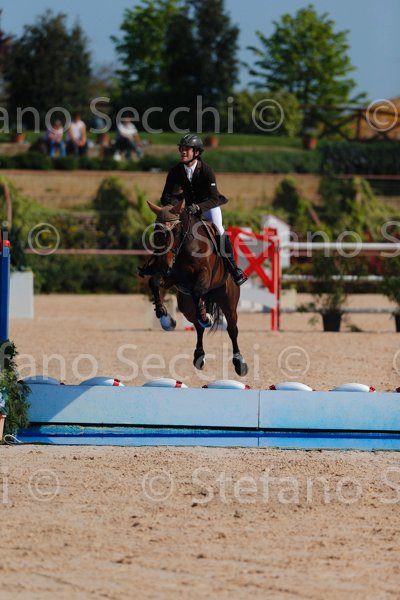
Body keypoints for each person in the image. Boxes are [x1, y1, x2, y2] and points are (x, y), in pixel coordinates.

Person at [138, 133, 247, 286]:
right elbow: (165, 197)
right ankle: (155, 263)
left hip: (208, 206)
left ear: (196, 152)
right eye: (181, 149)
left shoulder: (206, 171)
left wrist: (198, 207)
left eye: (186, 149)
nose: (183, 152)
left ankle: (234, 268)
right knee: (165, 227)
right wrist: (177, 205)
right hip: (187, 208)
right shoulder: (176, 171)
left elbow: (214, 198)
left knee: (220, 231)